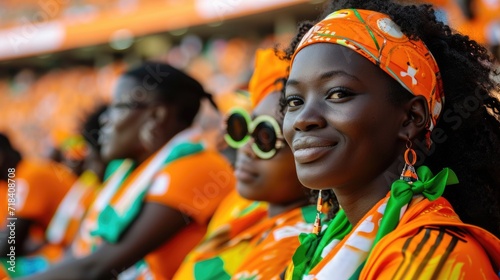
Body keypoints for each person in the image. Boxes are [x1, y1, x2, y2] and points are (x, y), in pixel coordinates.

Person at [280, 0, 500, 279]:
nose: (302, 119)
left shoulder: (435, 260)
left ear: (411, 118)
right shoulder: (329, 241)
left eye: (337, 93)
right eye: (295, 100)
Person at [24, 62, 235, 280]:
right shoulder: (129, 171)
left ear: (156, 116)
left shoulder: (196, 167)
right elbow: (80, 256)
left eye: (117, 106)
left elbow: (97, 267)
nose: (105, 119)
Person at [172, 49, 316, 280]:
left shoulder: (298, 243)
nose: (246, 148)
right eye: (243, 127)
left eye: (265, 136)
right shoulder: (243, 205)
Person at [0, 133, 77, 258]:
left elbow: (9, 246)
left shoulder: (28, 176)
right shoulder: (14, 180)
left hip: (79, 242)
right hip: (70, 244)